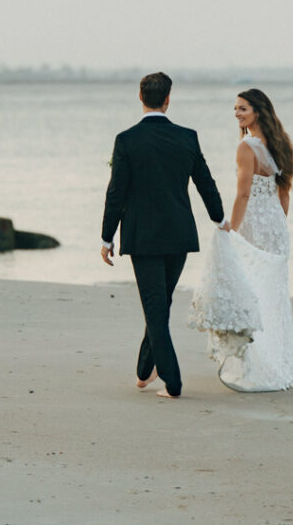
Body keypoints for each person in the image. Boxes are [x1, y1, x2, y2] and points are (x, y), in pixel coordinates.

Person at [189, 89, 293, 391]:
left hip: (252, 223)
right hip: (276, 226)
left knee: (251, 291)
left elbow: (243, 193)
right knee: (273, 294)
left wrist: (232, 231)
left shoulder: (246, 147)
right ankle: (280, 360)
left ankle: (258, 362)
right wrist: (279, 224)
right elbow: (284, 192)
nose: (237, 114)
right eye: (235, 109)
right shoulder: (281, 143)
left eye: (243, 109)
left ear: (258, 111)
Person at [101, 72, 227, 399]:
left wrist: (106, 237)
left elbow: (116, 192)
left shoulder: (126, 140)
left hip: (143, 237)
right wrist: (219, 218)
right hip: (178, 234)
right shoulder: (188, 137)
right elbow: (205, 182)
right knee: (160, 303)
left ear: (140, 97)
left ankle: (173, 382)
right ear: (168, 99)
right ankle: (145, 370)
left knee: (157, 306)